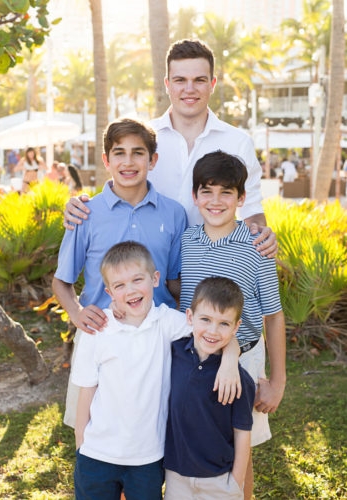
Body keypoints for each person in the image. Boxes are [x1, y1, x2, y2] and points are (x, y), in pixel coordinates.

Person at [53, 118, 239, 428]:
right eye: (119, 153)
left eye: (138, 153)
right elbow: (62, 280)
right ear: (106, 160)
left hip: (159, 339)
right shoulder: (86, 213)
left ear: (152, 160)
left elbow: (177, 282)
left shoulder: (174, 213)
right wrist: (76, 311)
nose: (128, 162)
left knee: (154, 428)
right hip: (101, 335)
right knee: (91, 427)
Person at [63, 39, 277, 258]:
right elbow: (120, 186)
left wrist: (262, 234)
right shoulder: (143, 139)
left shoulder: (238, 142)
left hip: (212, 266)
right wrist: (81, 207)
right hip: (150, 269)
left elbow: (250, 209)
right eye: (180, 80)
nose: (189, 89)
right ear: (167, 84)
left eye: (199, 80)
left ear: (212, 84)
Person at [73, 243, 240, 500]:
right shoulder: (98, 332)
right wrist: (81, 445)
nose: (130, 291)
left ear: (155, 279)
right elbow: (86, 394)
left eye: (137, 280)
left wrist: (230, 359)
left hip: (148, 457)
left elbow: (213, 333)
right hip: (97, 454)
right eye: (120, 286)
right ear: (109, 292)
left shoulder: (168, 322)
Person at [179, 151, 286, 499]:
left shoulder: (257, 246)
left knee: (240, 448)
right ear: (195, 196)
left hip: (245, 359)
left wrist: (278, 381)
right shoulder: (187, 242)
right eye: (207, 191)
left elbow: (273, 314)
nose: (215, 201)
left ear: (241, 198)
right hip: (195, 356)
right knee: (194, 438)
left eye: (227, 192)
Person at [164, 277, 255, 500]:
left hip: (219, 481)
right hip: (176, 476)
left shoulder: (238, 379)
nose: (213, 331)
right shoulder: (172, 354)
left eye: (224, 323)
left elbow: (242, 434)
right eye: (205, 319)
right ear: (189, 317)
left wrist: (236, 482)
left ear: (236, 327)